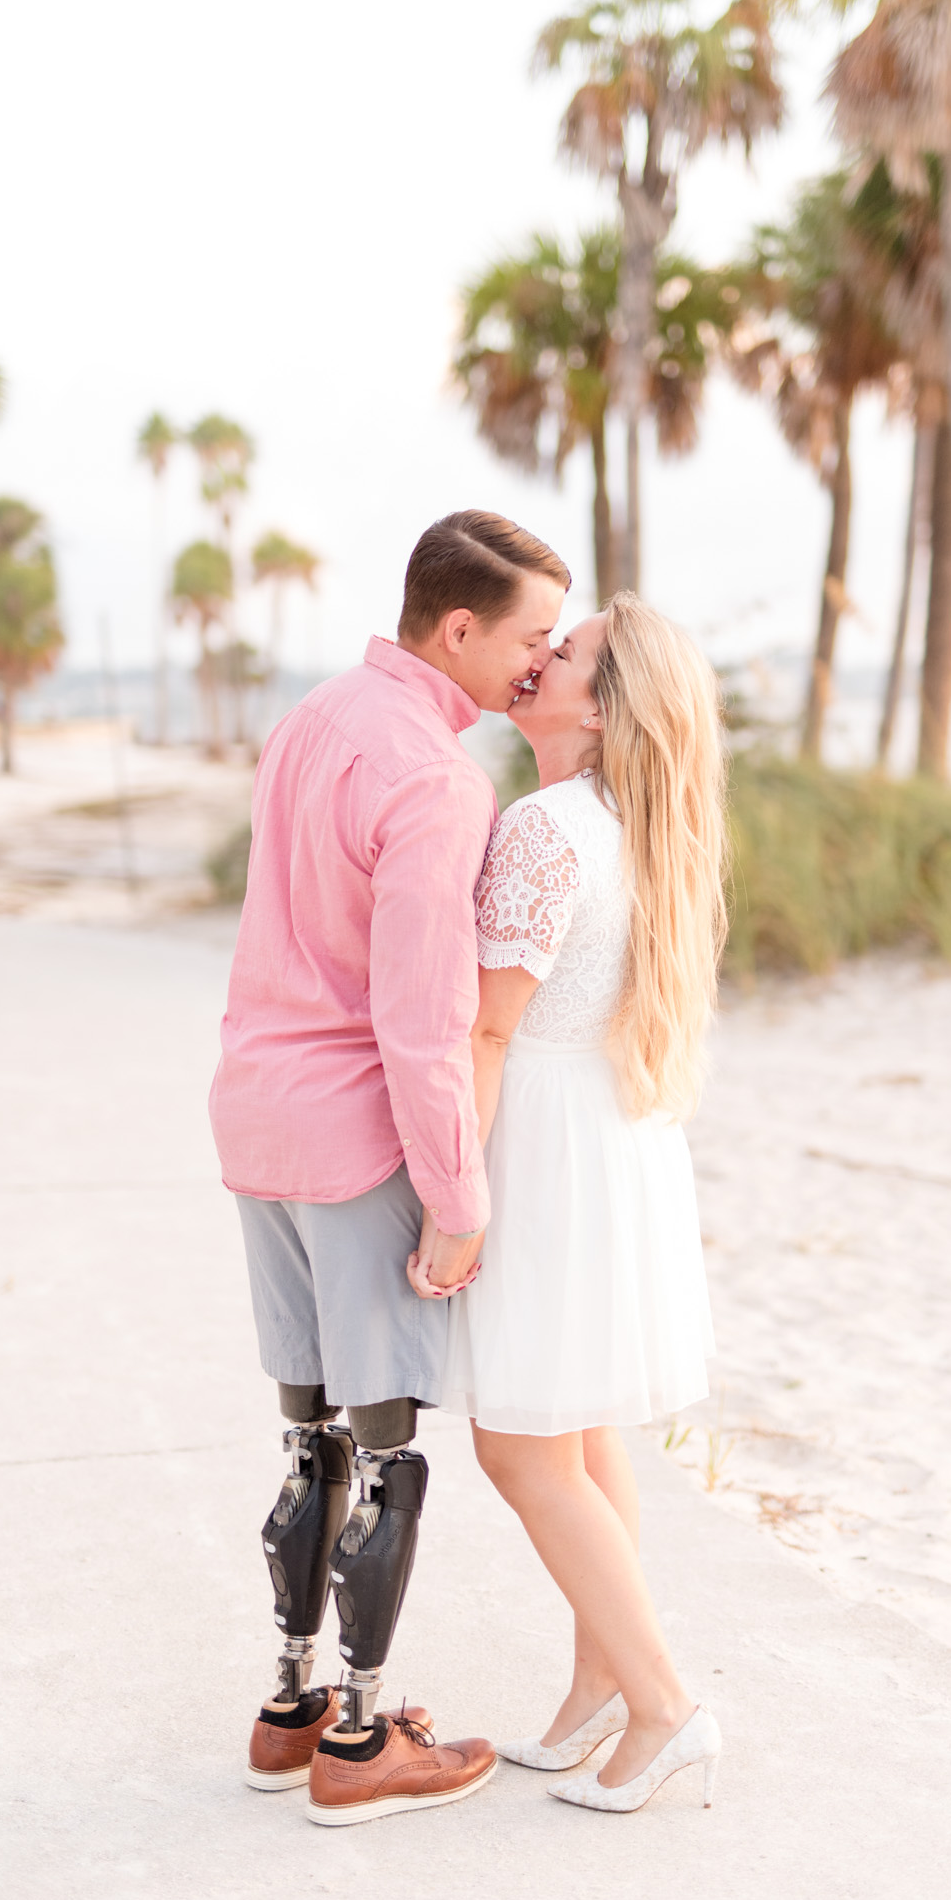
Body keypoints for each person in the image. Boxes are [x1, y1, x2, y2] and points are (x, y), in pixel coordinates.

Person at [209, 508, 569, 1826]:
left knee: (306, 1440)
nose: (535, 666)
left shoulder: (309, 721)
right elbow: (422, 1021)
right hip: (357, 1138)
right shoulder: (436, 780)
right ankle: (362, 1743)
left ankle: (289, 1707)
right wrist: (457, 1198)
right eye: (528, 639)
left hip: (255, 1119)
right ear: (459, 628)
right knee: (387, 1445)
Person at [428, 590, 726, 1814]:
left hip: (548, 1145)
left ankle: (661, 1700)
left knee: (519, 1441)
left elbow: (490, 1028)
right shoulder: (628, 823)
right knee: (588, 1427)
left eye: (572, 649)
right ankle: (596, 1683)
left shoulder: (547, 826)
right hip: (611, 1137)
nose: (543, 652)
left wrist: (459, 1197)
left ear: (598, 705)